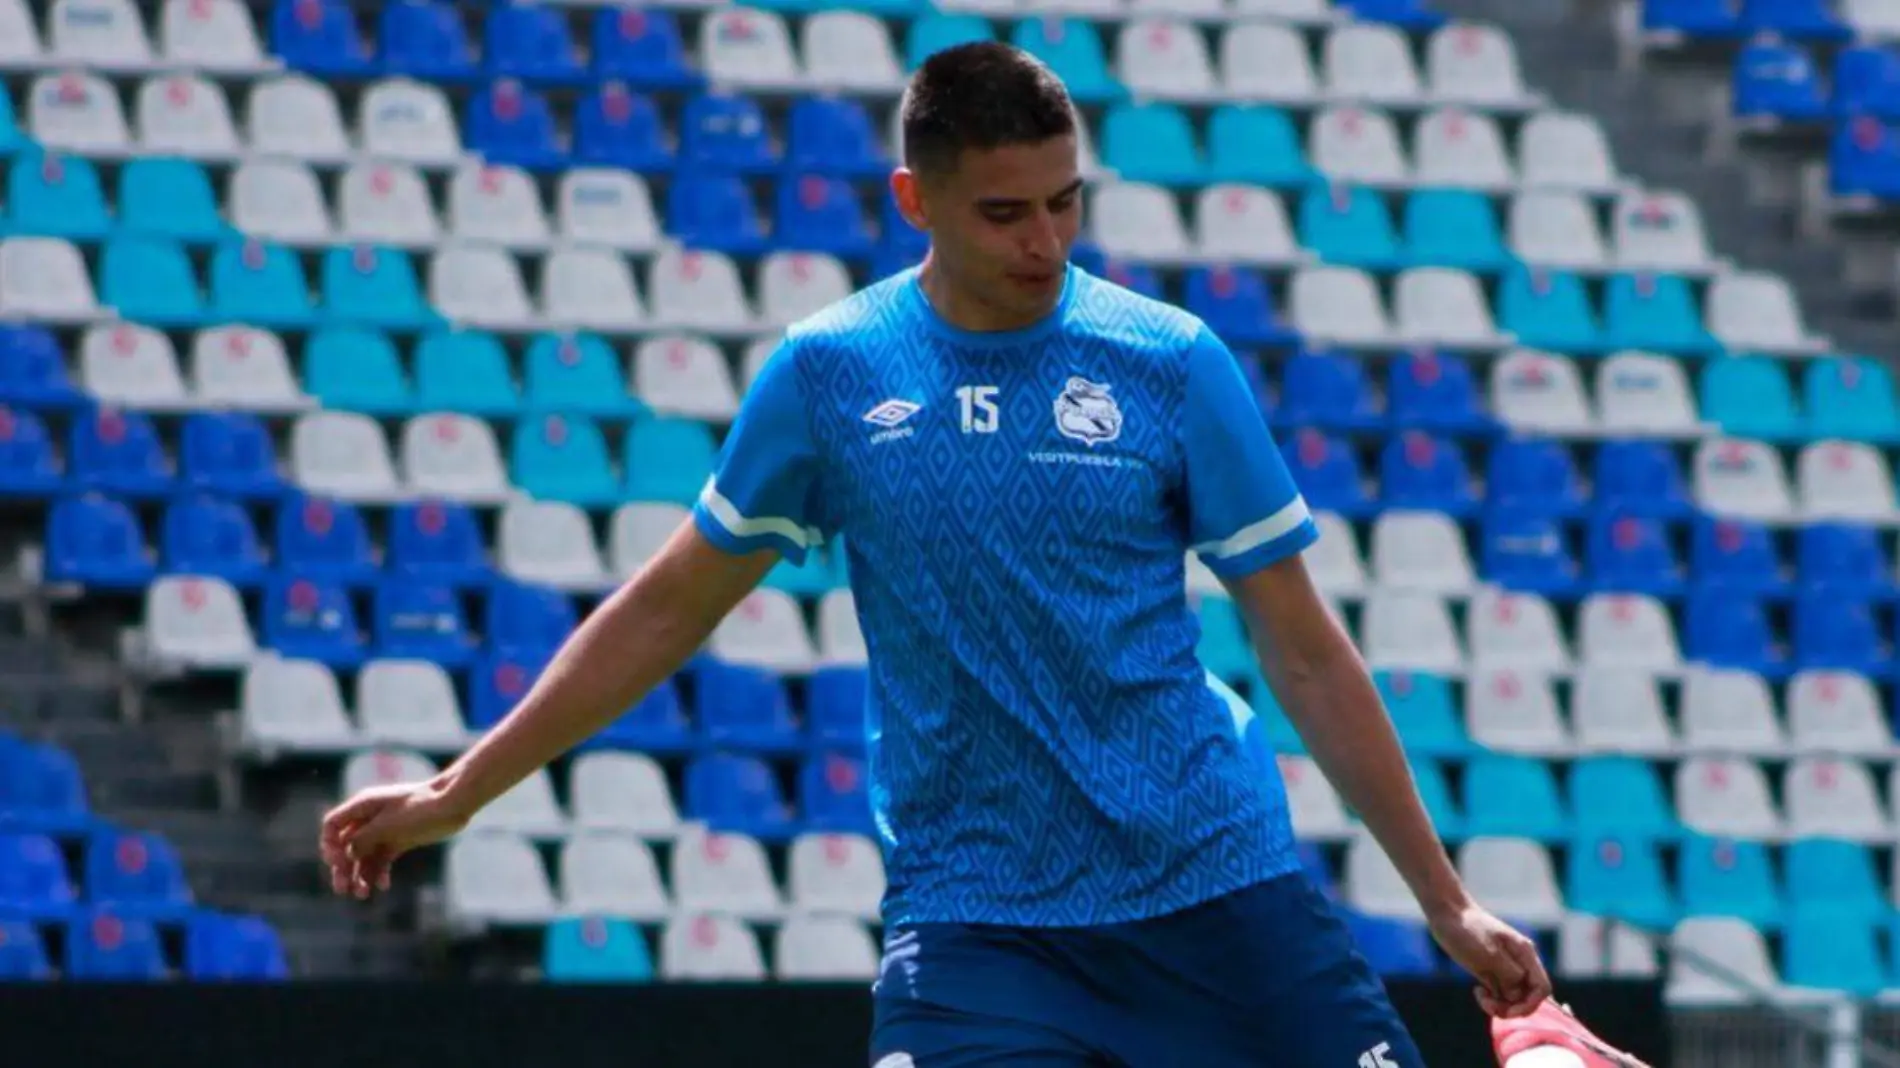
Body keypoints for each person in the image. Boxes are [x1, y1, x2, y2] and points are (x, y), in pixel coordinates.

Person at [320, 41, 1552, 1066]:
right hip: (977, 926)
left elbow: (1305, 650)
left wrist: (1443, 901)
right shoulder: (830, 373)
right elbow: (664, 610)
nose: (1045, 242)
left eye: (1065, 203)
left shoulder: (1171, 363)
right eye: (1004, 213)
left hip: (1214, 891)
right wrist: (458, 792)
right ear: (914, 200)